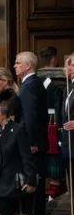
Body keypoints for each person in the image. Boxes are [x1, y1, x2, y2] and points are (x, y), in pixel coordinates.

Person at [14, 51, 48, 215]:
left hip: (32, 145)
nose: (15, 66)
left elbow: (31, 119)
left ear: (27, 66)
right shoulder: (32, 84)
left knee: (32, 184)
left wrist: (32, 143)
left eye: (18, 63)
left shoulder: (29, 86)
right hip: (34, 142)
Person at [38, 47, 66, 200]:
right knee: (54, 161)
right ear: (54, 60)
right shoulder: (56, 83)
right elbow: (58, 107)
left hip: (42, 126)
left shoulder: (36, 80)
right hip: (54, 126)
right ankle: (53, 193)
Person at [61, 53, 74, 215]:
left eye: (73, 65)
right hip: (70, 146)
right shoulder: (70, 87)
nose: (69, 68)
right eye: (68, 65)